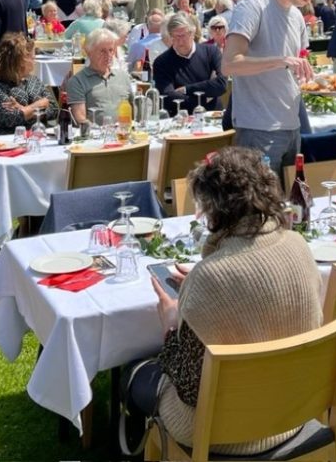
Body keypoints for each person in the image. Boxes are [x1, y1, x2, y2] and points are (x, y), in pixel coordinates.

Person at [127, 147, 321, 455]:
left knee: (137, 370)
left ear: (213, 210)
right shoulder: (298, 246)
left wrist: (170, 324)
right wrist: (210, 277)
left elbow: (189, 389)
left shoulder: (208, 279)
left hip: (221, 430)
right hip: (292, 410)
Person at [222, 0, 324, 170]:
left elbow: (296, 64)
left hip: (291, 125)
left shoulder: (297, 15)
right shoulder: (253, 7)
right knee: (259, 203)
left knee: (293, 202)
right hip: (258, 128)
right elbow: (229, 64)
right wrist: (281, 60)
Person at [0, 33, 58, 135]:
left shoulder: (34, 81)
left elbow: (53, 109)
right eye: (32, 57)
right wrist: (39, 105)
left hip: (37, 137)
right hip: (6, 142)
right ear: (21, 60)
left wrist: (23, 109)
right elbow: (10, 118)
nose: (34, 61)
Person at [153, 13, 226, 115]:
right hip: (181, 120)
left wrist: (186, 89)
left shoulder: (211, 52)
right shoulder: (162, 62)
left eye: (183, 35)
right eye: (175, 37)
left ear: (193, 33)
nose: (180, 41)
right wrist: (204, 99)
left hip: (213, 116)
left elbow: (221, 84)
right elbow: (168, 97)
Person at [66, 28, 134, 125]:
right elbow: (80, 119)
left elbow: (135, 108)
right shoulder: (77, 81)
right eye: (102, 51)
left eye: (111, 50)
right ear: (89, 52)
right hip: (96, 136)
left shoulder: (123, 76)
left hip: (125, 134)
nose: (108, 55)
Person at [127, 9, 167, 73]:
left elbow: (129, 67)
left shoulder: (137, 46)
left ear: (148, 26)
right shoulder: (170, 45)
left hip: (143, 79)